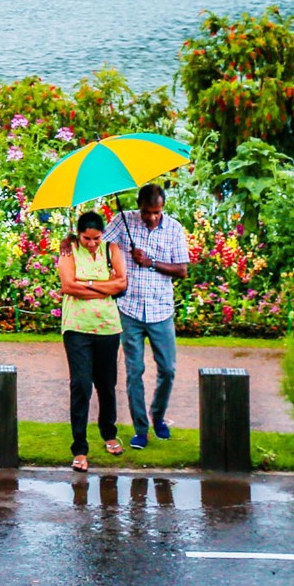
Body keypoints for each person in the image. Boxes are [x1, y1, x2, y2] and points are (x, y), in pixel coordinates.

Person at [105, 182, 189, 449]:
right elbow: (98, 243)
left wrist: (150, 262)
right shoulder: (123, 221)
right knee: (134, 371)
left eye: (156, 212)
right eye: (147, 212)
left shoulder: (174, 228)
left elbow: (182, 270)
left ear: (162, 208)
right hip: (130, 309)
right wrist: (115, 254)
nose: (152, 217)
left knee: (168, 369)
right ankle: (141, 428)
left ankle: (159, 416)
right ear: (139, 207)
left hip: (161, 310)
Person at [58, 209, 128, 471]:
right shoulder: (69, 250)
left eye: (96, 238)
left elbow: (121, 283)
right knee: (80, 385)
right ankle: (79, 448)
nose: (92, 243)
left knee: (107, 385)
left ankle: (109, 433)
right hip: (77, 328)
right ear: (78, 235)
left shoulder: (112, 250)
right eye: (87, 238)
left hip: (108, 328)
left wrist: (85, 285)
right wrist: (102, 286)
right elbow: (68, 286)